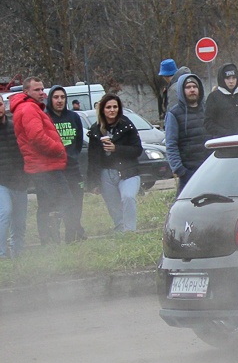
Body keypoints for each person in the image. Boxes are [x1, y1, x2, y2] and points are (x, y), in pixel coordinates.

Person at [11, 78, 69, 246]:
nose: (41, 93)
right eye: (36, 90)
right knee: (64, 201)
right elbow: (37, 137)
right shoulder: (29, 108)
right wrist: (57, 148)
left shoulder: (30, 107)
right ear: (26, 92)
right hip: (44, 165)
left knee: (47, 204)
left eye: (42, 89)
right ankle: (61, 239)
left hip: (40, 165)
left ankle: (50, 242)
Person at [87, 94, 142, 232]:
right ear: (102, 110)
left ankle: (130, 230)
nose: (112, 110)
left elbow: (137, 149)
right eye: (108, 107)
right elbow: (92, 158)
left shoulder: (127, 125)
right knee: (113, 204)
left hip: (128, 171)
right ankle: (119, 228)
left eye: (115, 107)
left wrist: (116, 149)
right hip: (106, 172)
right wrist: (92, 182)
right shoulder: (95, 130)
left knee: (128, 197)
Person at [44, 85, 86, 242]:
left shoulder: (74, 117)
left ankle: (74, 234)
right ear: (50, 99)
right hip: (55, 169)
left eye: (62, 97)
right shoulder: (46, 117)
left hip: (73, 167)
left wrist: (73, 155)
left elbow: (79, 140)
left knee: (77, 200)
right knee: (63, 203)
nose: (59, 100)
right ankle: (60, 236)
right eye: (56, 97)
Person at [164, 73, 209, 189]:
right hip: (188, 173)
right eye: (188, 87)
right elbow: (171, 144)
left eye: (195, 87)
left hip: (209, 169)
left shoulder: (208, 110)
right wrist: (180, 171)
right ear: (181, 90)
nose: (192, 90)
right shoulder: (174, 114)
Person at [0, 99, 29, 258]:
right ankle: (2, 255)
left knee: (20, 221)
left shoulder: (15, 127)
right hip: (1, 182)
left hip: (19, 180)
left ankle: (18, 254)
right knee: (4, 213)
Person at [204, 63, 238, 138]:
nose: (231, 81)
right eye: (228, 78)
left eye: (234, 78)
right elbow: (208, 123)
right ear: (222, 79)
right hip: (226, 143)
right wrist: (225, 133)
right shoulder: (214, 97)